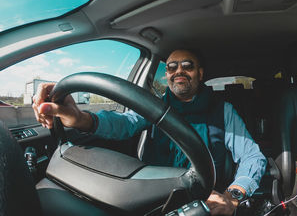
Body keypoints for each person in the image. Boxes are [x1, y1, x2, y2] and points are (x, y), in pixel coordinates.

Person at [32, 49, 267, 216]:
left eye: (188, 65)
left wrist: (233, 196)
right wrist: (81, 118)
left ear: (201, 73)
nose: (179, 71)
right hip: (153, 196)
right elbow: (123, 123)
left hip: (207, 198)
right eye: (172, 67)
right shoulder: (154, 107)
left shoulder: (223, 110)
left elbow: (252, 157)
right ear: (166, 75)